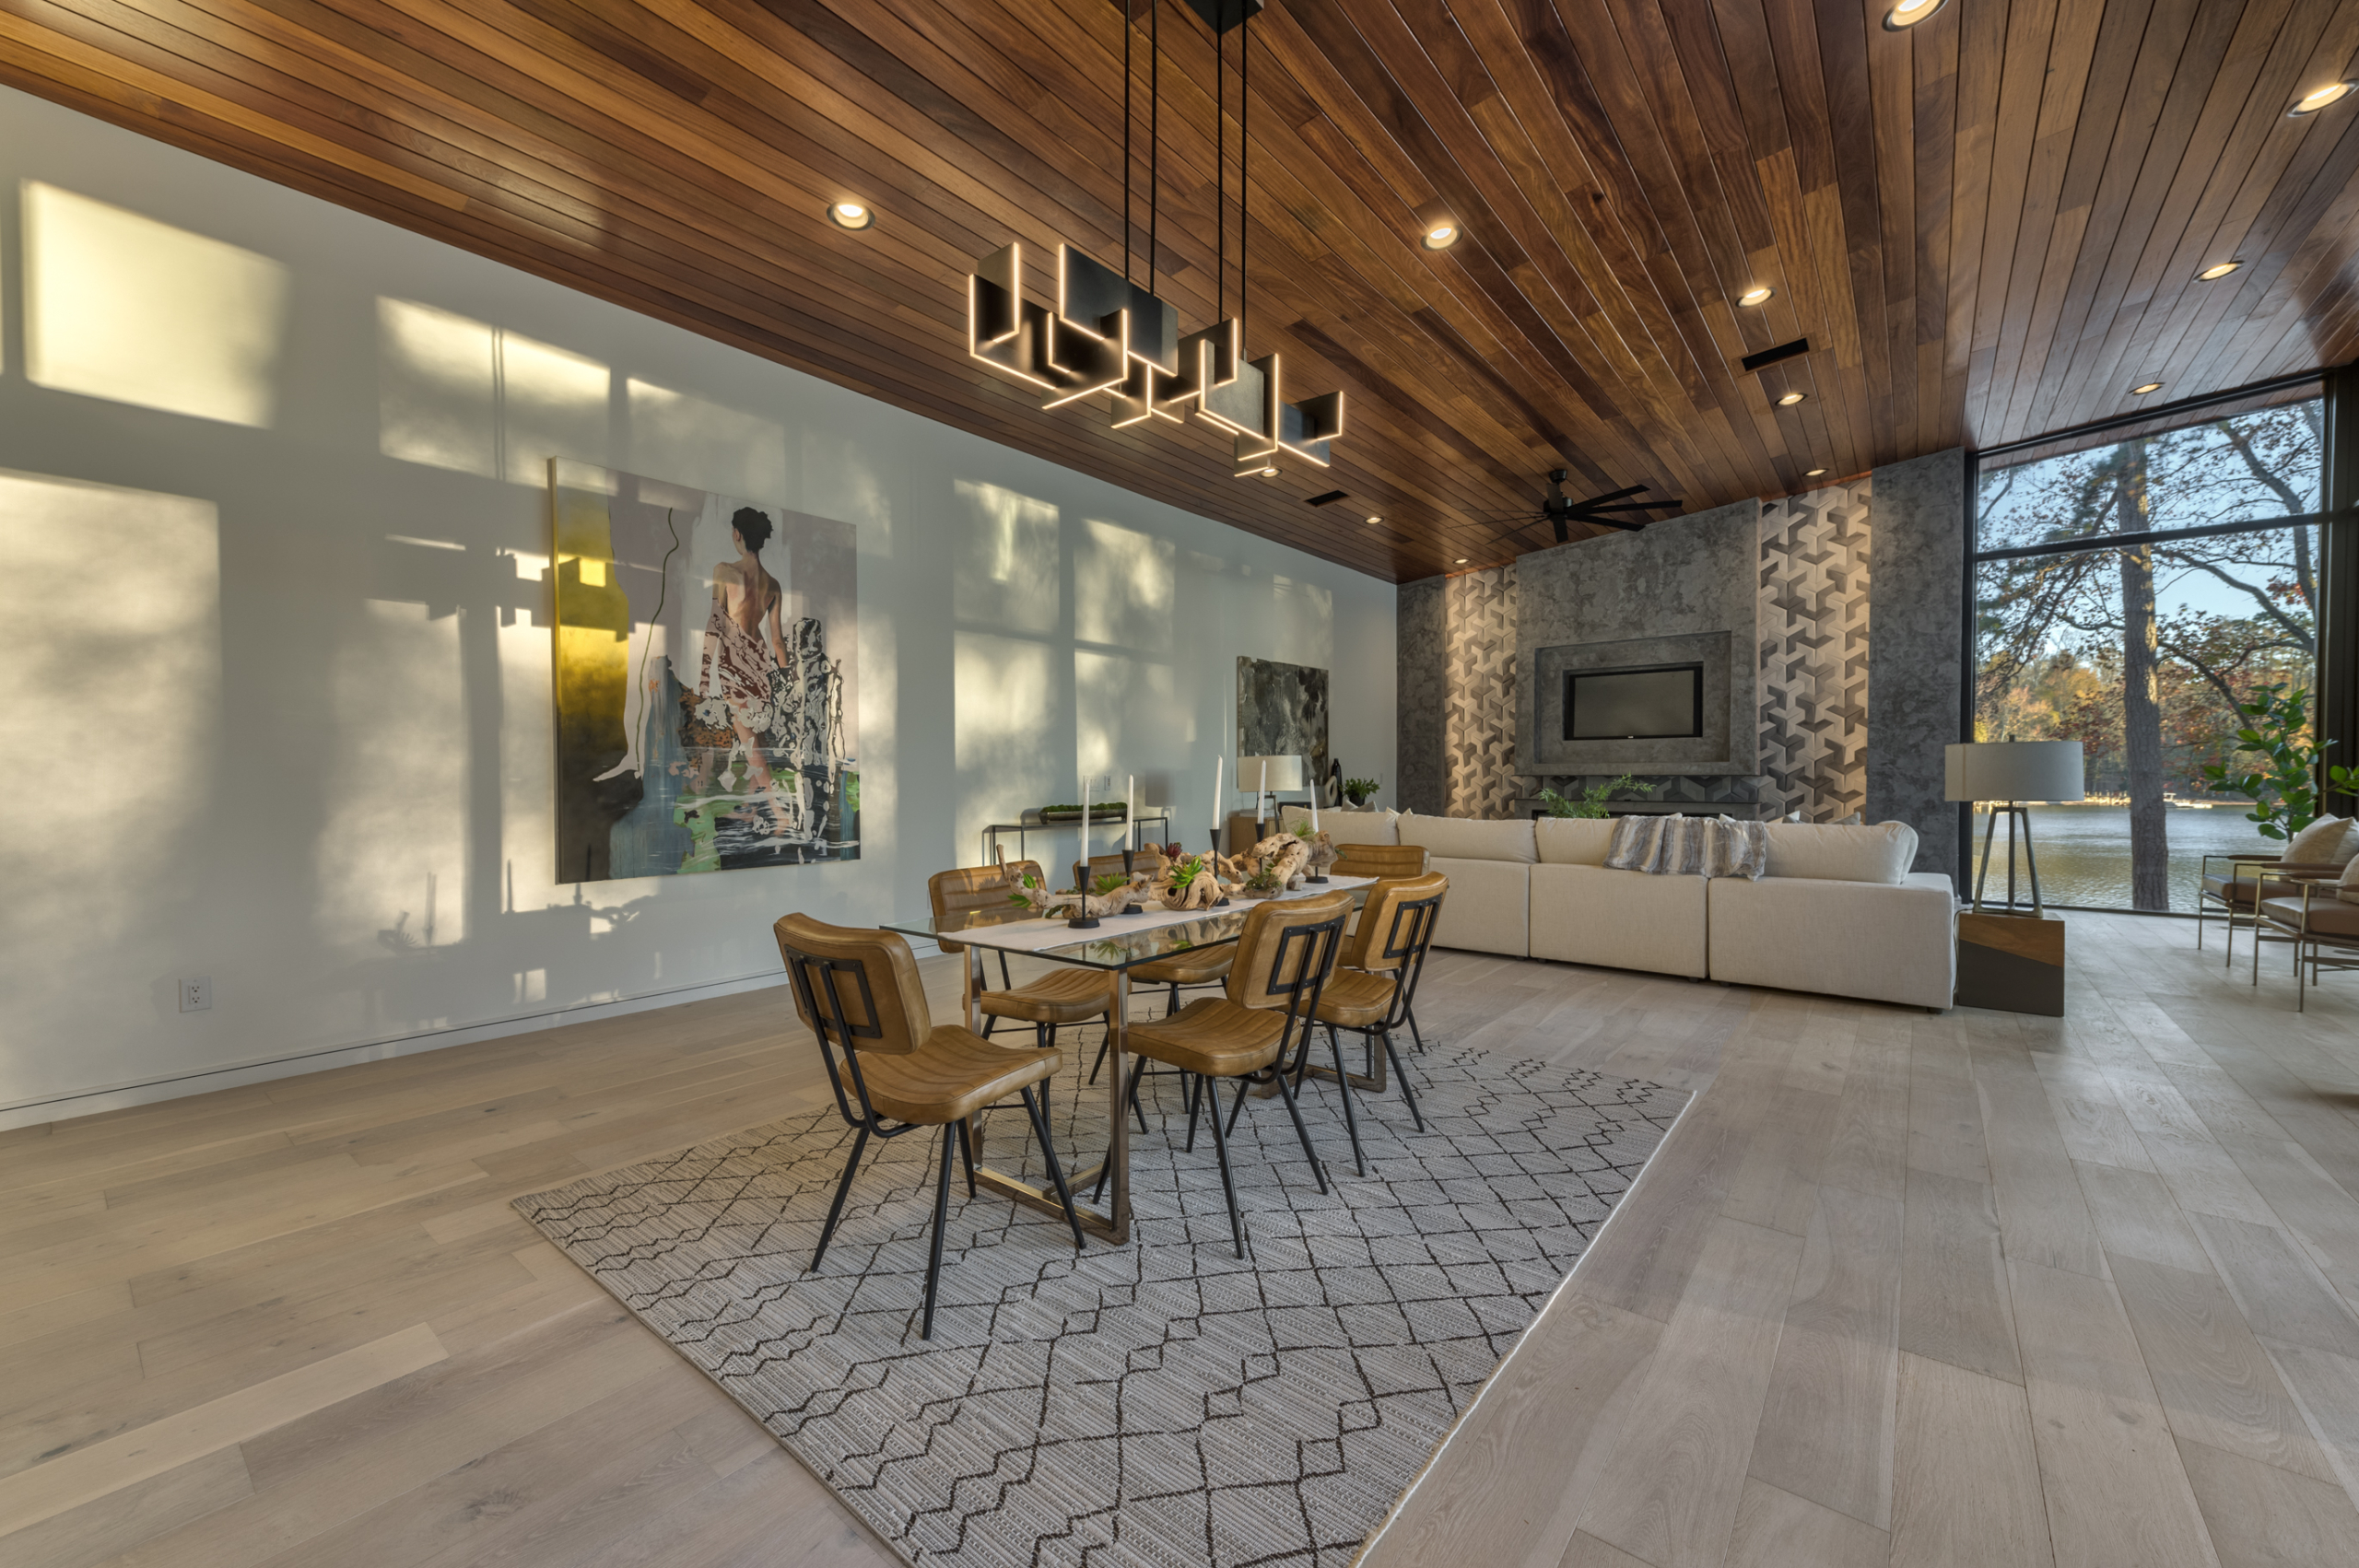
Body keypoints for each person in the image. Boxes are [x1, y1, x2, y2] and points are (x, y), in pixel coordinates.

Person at [698, 508, 793, 833]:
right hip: (761, 666)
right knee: (756, 740)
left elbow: (715, 626)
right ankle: (750, 810)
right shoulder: (773, 584)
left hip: (735, 669)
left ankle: (780, 815)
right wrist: (789, 683)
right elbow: (778, 642)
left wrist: (703, 675)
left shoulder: (724, 571)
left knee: (751, 745)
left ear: (737, 534)